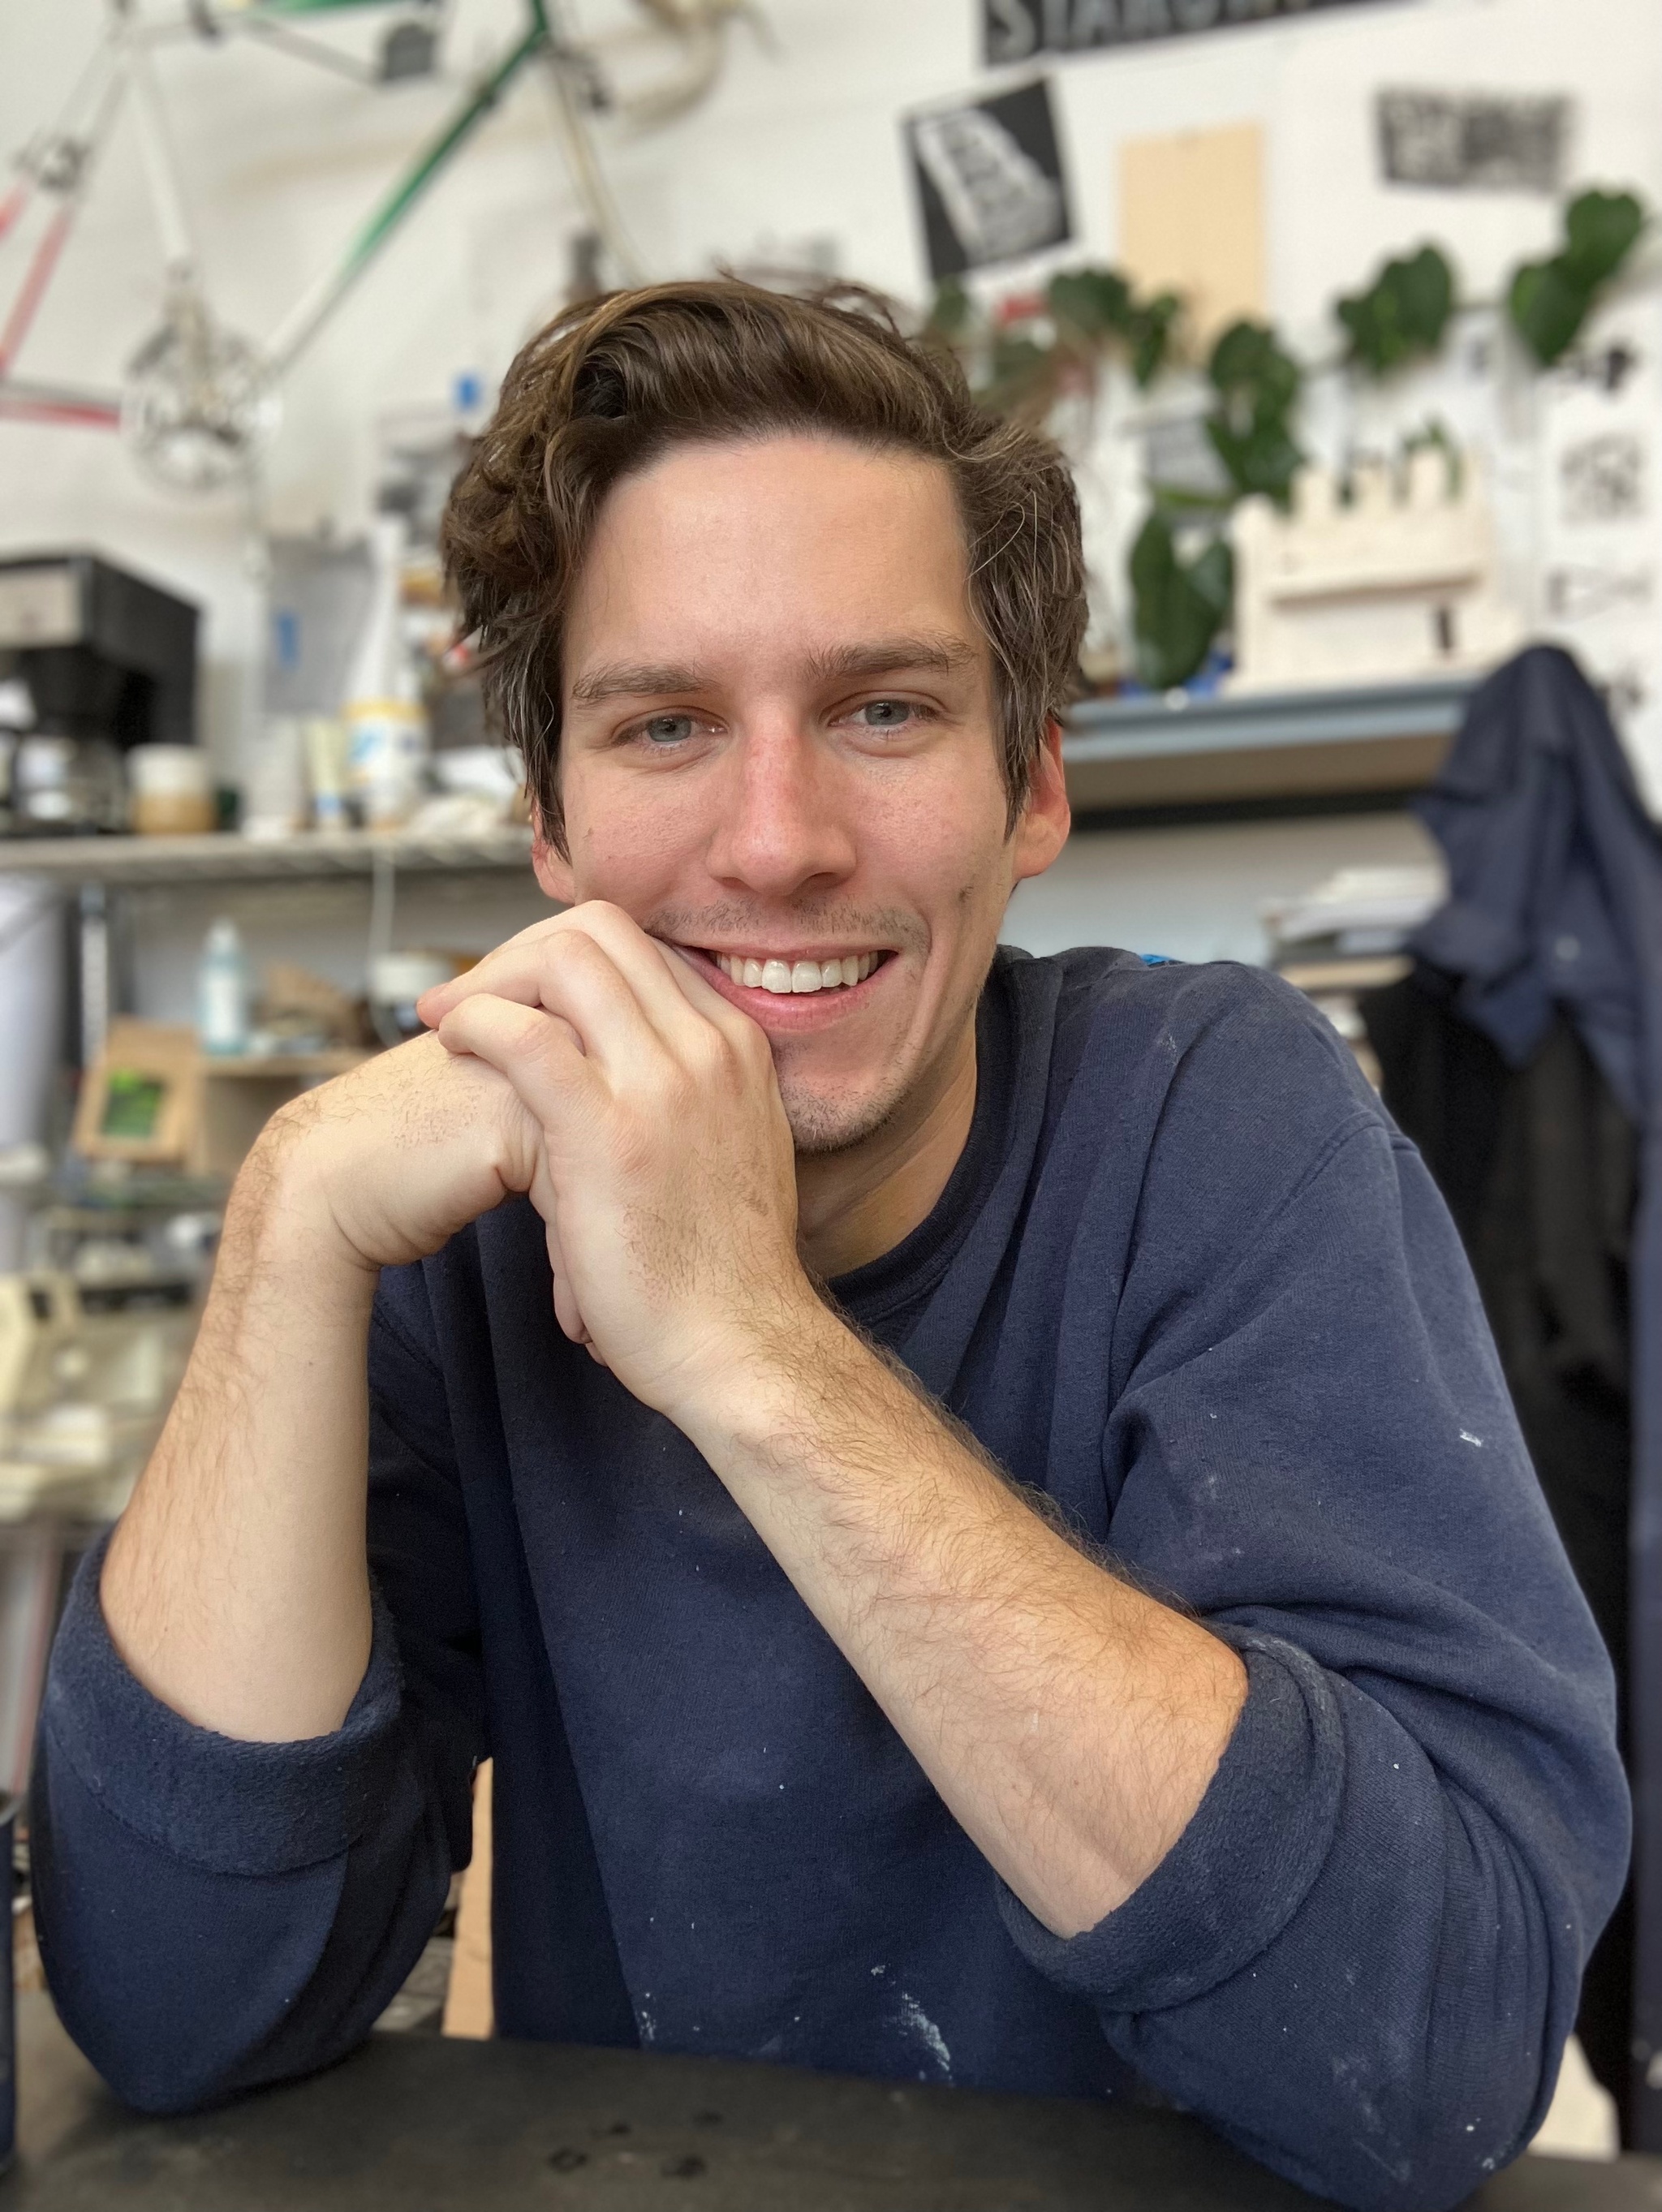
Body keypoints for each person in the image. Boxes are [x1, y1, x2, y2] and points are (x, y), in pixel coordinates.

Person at [32, 282, 1625, 2212]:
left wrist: (738, 1333)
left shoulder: (1222, 1121)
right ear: (548, 819)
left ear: (1030, 783)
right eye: (667, 722)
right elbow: (181, 2008)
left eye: (883, 709)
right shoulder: (453, 1228)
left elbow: (1429, 2052)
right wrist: (284, 1219)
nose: (775, 840)